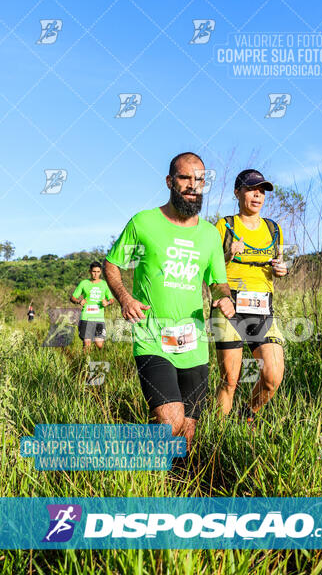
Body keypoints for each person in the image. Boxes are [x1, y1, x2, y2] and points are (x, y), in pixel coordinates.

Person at [103, 152, 234, 452]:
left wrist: (225, 298)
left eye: (199, 179)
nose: (193, 185)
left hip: (194, 343)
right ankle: (131, 466)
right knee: (170, 422)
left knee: (188, 430)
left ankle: (174, 486)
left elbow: (218, 281)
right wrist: (124, 298)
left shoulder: (210, 235)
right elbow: (112, 264)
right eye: (185, 178)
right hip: (151, 338)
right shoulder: (144, 223)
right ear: (169, 181)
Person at [211, 169, 288, 424]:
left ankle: (246, 418)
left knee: (272, 376)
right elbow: (208, 267)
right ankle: (218, 438)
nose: (257, 194)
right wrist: (227, 254)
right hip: (230, 305)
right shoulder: (225, 225)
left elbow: (278, 266)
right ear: (237, 192)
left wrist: (282, 270)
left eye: (262, 190)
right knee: (230, 381)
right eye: (251, 189)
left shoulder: (273, 228)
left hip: (263, 306)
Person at [70, 261, 114, 352]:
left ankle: (98, 362)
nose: (95, 274)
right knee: (87, 344)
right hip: (86, 317)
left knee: (100, 345)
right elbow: (73, 297)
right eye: (94, 272)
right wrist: (79, 301)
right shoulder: (84, 283)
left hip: (99, 319)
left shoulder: (104, 284)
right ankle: (84, 365)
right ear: (90, 271)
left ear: (100, 272)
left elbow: (111, 299)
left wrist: (107, 303)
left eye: (98, 272)